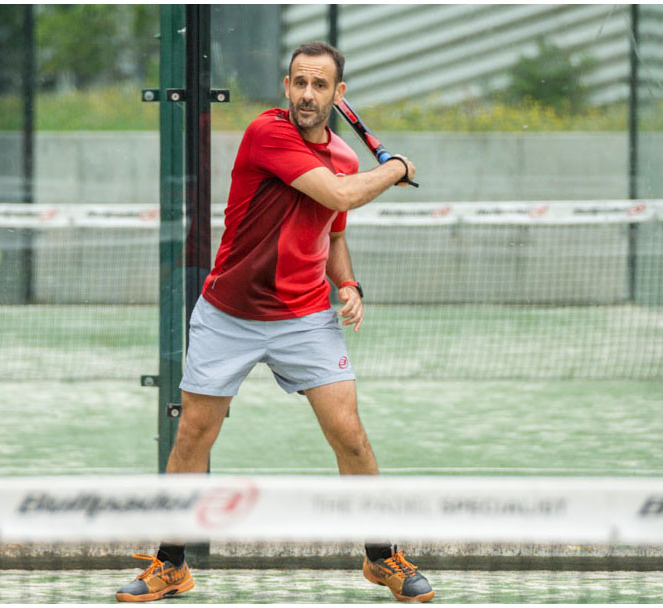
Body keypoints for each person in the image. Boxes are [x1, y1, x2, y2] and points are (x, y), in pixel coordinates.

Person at [116, 41, 433, 604]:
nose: (307, 94)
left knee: (350, 436)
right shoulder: (267, 133)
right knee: (193, 435)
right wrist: (397, 169)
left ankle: (381, 555)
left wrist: (348, 284)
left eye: (319, 85)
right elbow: (340, 195)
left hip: (305, 316)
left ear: (338, 93)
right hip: (229, 315)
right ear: (287, 87)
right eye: (299, 82)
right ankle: (171, 564)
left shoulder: (345, 157)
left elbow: (333, 228)